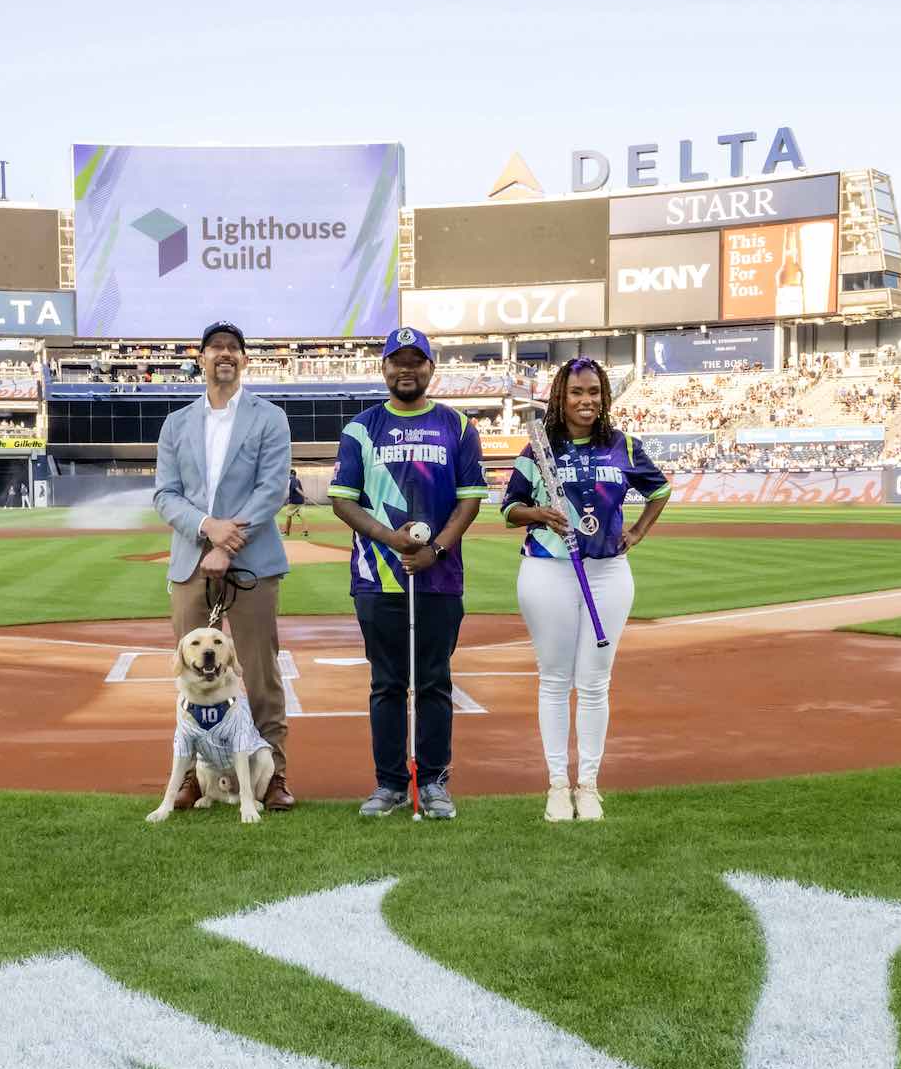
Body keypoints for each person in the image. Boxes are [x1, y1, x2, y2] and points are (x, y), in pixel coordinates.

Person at [329, 326, 489, 819]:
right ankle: (390, 784)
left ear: (430, 368)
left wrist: (436, 550)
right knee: (387, 684)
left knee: (435, 682)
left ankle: (435, 782)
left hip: (440, 577)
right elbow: (343, 501)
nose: (406, 369)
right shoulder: (361, 428)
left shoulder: (457, 426)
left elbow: (469, 501)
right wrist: (391, 539)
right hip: (377, 576)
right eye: (397, 361)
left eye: (415, 361)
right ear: (383, 368)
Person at [501, 357, 669, 823]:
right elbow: (509, 508)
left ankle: (588, 785)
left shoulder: (623, 445)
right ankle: (558, 785)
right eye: (577, 392)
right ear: (561, 396)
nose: (586, 400)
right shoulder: (539, 447)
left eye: (594, 391)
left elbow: (659, 491)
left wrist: (637, 532)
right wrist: (540, 514)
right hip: (547, 569)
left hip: (607, 572)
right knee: (555, 680)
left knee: (595, 683)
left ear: (604, 395)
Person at [151, 320, 298, 812]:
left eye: (233, 347)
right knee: (192, 672)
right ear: (201, 359)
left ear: (244, 359)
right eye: (215, 347)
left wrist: (228, 544)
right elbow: (165, 494)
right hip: (191, 559)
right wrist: (208, 528)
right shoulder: (176, 424)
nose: (225, 354)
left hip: (252, 560)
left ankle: (273, 774)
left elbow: (272, 489)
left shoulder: (269, 418)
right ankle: (195, 778)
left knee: (259, 670)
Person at [279, 467, 308, 536]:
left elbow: (297, 489)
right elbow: (300, 489)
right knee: (302, 516)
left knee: (289, 516)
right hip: (301, 501)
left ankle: (287, 532)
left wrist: (304, 495)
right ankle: (305, 531)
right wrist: (304, 497)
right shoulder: (297, 480)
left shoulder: (292, 480)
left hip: (293, 502)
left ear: (291, 474)